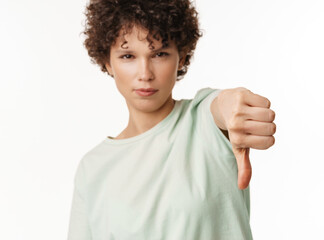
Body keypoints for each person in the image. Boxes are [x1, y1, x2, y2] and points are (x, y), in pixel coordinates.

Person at [67, 0, 276, 239]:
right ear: (107, 62)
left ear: (182, 57)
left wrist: (236, 108)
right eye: (128, 56)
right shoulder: (93, 168)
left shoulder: (204, 122)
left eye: (159, 54)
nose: (145, 74)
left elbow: (223, 106)